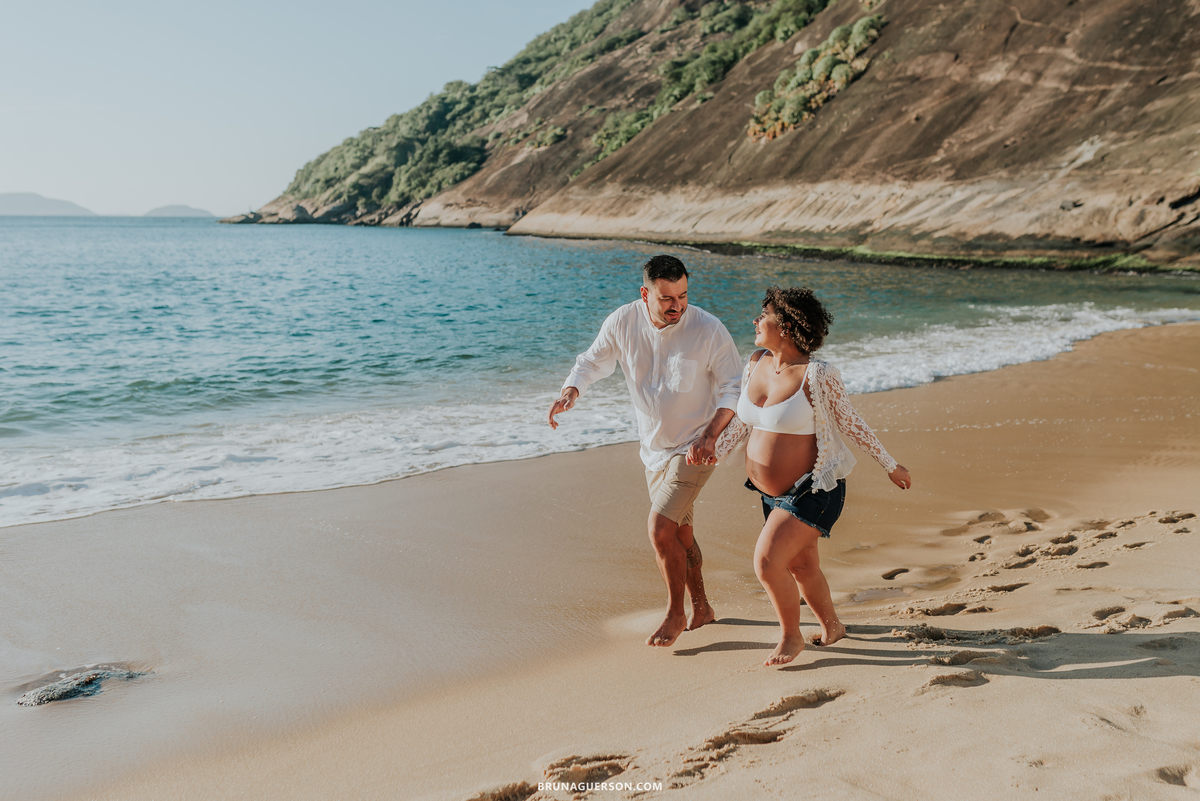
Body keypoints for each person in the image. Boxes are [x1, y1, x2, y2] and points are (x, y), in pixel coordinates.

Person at [547, 255, 742, 647]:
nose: (677, 305)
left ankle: (675, 612)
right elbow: (592, 360)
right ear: (645, 293)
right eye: (667, 298)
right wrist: (572, 389)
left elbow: (733, 387)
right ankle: (702, 606)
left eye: (683, 295)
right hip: (653, 449)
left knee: (659, 528)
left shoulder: (708, 329)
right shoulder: (623, 320)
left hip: (698, 446)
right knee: (681, 532)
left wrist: (710, 435)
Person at [738, 286, 911, 666]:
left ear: (784, 326)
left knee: (767, 562)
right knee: (802, 565)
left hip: (816, 489)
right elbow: (743, 423)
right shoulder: (756, 362)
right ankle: (833, 627)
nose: (755, 320)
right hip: (772, 495)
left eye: (762, 315)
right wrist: (706, 455)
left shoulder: (818, 375)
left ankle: (790, 637)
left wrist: (889, 464)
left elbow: (851, 423)